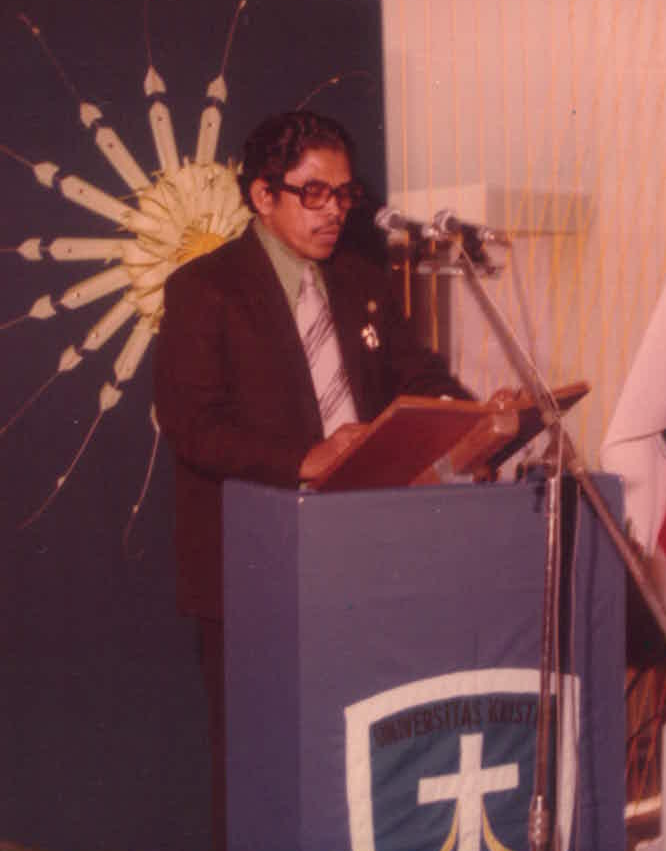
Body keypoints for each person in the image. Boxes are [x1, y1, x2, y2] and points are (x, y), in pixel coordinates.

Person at [153, 109, 472, 849]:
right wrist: (306, 458)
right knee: (262, 769)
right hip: (252, 570)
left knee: (358, 755)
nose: (334, 212)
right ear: (262, 196)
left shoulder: (361, 282)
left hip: (364, 560)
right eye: (314, 193)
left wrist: (472, 416)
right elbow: (192, 425)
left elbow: (419, 375)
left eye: (343, 194)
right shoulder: (205, 289)